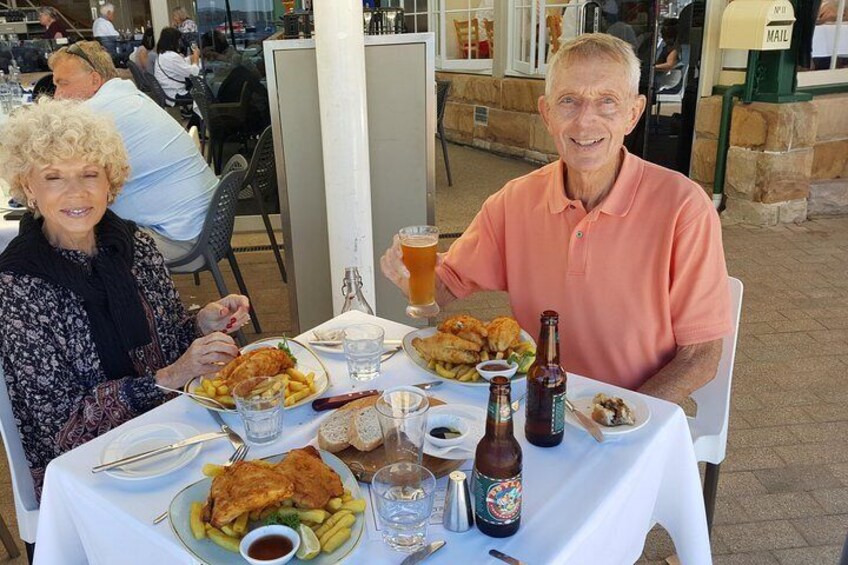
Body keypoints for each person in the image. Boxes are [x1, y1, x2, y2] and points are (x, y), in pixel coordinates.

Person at [380, 34, 731, 404]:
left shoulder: (683, 207)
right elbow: (445, 289)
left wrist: (623, 416)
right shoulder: (514, 201)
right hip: (536, 405)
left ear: (633, 113)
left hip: (631, 415)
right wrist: (412, 281)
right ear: (547, 114)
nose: (585, 121)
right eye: (569, 101)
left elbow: (701, 355)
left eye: (607, 102)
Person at [0, 98, 250, 497]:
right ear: (28, 186)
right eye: (53, 177)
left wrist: (203, 323)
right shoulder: (19, 285)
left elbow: (165, 340)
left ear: (110, 182)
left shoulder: (134, 246)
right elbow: (63, 428)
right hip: (90, 471)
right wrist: (171, 377)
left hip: (174, 433)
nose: (76, 193)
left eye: (89, 174)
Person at [49, 41, 217, 264]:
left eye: (63, 84)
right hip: (203, 229)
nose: (57, 96)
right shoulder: (125, 97)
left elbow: (51, 167)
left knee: (59, 242)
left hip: (179, 241)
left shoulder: (96, 113)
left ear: (94, 80)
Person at [154, 27, 200, 107]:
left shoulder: (163, 55)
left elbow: (178, 65)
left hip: (167, 92)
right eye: (178, 40)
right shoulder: (172, 57)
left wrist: (190, 58)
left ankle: (196, 118)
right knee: (205, 95)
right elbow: (194, 72)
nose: (180, 42)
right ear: (173, 41)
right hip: (176, 94)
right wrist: (196, 56)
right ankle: (199, 119)